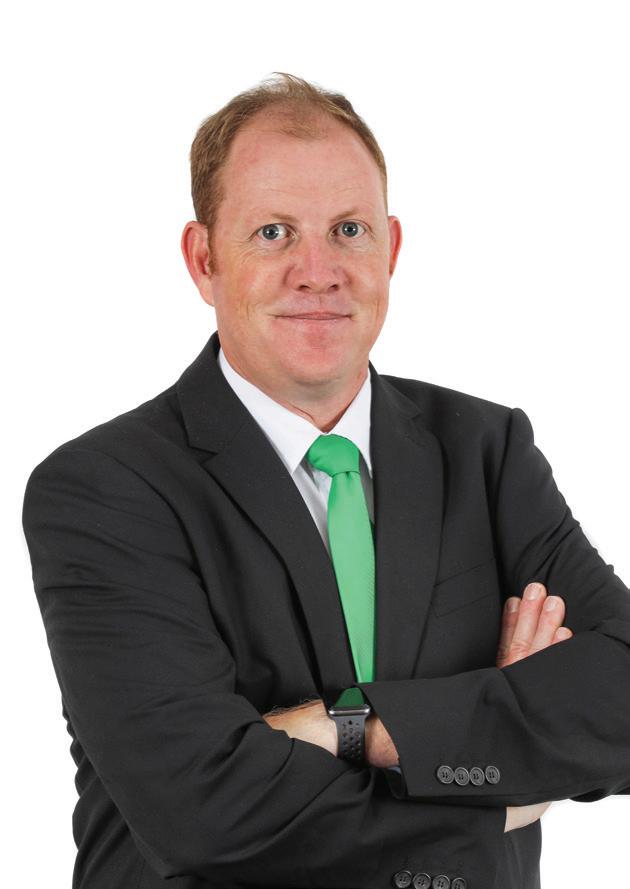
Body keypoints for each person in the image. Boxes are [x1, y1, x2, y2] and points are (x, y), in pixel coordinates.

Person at [22, 72, 630, 889]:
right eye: (274, 232)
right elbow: (202, 809)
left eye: (349, 229)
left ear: (392, 249)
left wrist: (350, 725)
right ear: (204, 260)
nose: (318, 270)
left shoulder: (488, 452)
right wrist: (504, 782)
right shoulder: (105, 490)